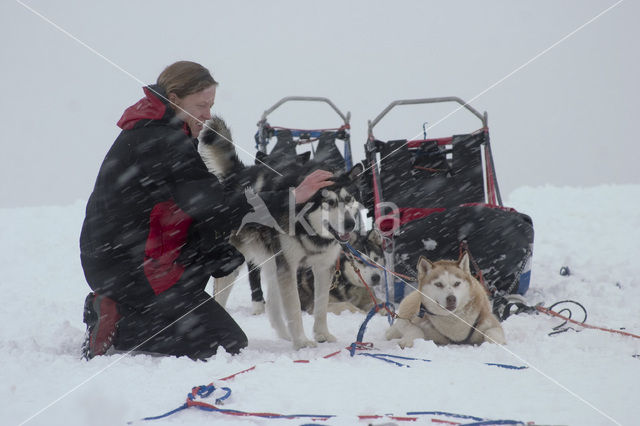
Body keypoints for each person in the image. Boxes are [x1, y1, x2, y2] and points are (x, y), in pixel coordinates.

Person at [80, 61, 333, 360]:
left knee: (218, 251)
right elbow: (216, 206)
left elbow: (207, 200)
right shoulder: (163, 140)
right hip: (129, 267)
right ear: (174, 99)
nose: (207, 115)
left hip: (127, 259)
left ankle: (138, 308)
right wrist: (292, 196)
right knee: (220, 343)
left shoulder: (157, 131)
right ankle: (120, 316)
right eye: (201, 105)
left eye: (210, 105)